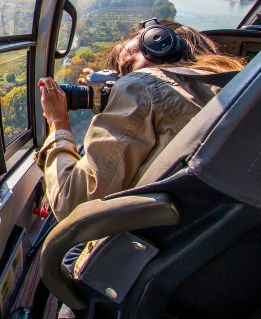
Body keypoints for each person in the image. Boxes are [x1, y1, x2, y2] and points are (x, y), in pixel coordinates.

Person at [36, 19, 245, 221]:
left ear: (160, 43)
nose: (124, 81)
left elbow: (71, 202)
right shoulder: (234, 87)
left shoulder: (144, 85)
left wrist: (57, 121)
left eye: (127, 68)